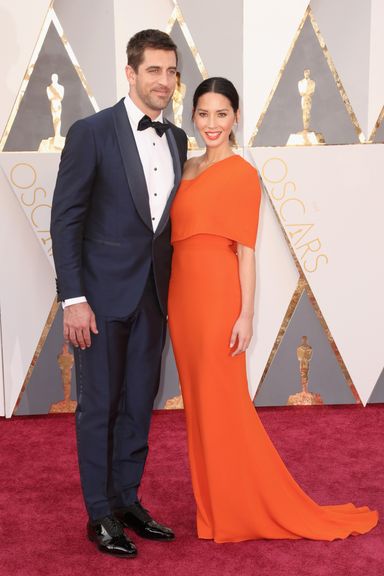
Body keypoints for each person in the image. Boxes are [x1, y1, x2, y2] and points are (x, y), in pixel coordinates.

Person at [168, 77, 378, 543]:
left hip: (219, 299)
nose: (212, 123)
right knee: (199, 408)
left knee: (225, 405)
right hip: (181, 300)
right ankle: (214, 508)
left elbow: (246, 251)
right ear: (194, 117)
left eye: (221, 114)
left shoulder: (243, 174)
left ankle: (240, 506)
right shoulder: (182, 169)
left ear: (236, 117)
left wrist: (245, 316)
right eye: (203, 114)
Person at [50, 29, 188, 557]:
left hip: (153, 297)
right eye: (154, 70)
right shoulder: (91, 132)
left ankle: (127, 498)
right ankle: (100, 514)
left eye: (172, 71)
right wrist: (73, 298)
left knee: (138, 405)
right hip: (100, 300)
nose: (165, 81)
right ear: (130, 73)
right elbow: (67, 220)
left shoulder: (175, 139)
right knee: (99, 407)